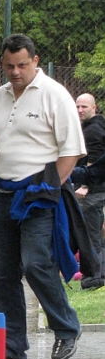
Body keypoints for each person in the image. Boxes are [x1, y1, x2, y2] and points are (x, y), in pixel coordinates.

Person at [0, 33, 86, 359]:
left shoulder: (55, 95)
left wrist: (50, 188)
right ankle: (11, 345)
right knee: (1, 270)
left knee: (36, 262)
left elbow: (72, 150)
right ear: (2, 64)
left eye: (22, 64)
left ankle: (66, 328)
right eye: (9, 65)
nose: (16, 71)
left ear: (35, 61)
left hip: (38, 194)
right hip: (2, 193)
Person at [73, 93, 105, 289]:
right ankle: (97, 274)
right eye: (77, 106)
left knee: (90, 234)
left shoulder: (93, 130)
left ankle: (94, 277)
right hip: (97, 190)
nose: (80, 110)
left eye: (84, 107)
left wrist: (85, 186)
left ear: (94, 108)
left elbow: (95, 158)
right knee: (95, 233)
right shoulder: (94, 126)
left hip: (93, 192)